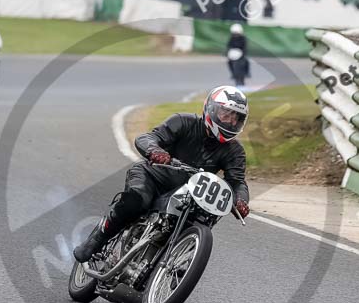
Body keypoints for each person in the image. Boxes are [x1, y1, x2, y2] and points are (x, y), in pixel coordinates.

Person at [73, 86, 251, 263]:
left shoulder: (235, 151)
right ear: (210, 109)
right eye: (226, 114)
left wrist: (241, 200)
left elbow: (237, 182)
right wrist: (155, 151)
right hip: (153, 176)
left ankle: (181, 260)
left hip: (191, 192)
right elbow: (147, 138)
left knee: (202, 218)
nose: (230, 122)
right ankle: (97, 238)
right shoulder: (183, 121)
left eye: (236, 118)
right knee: (137, 200)